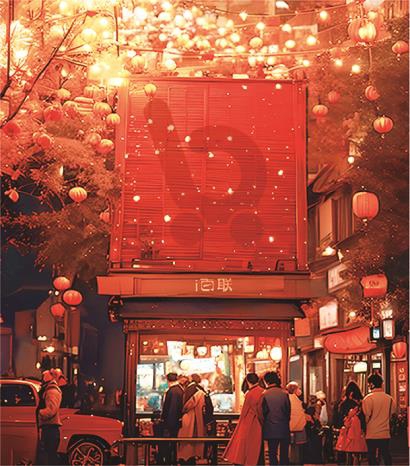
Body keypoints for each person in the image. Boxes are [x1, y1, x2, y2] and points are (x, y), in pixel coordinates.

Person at [224, 373, 265, 466]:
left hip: (249, 421)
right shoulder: (262, 391)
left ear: (248, 381)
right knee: (257, 446)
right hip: (258, 422)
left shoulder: (249, 394)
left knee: (244, 445)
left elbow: (244, 411)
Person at [362, 373, 395, 466]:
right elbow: (392, 413)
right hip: (385, 432)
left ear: (371, 384)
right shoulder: (390, 399)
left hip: (371, 433)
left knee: (371, 456)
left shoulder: (368, 399)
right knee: (386, 455)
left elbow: (366, 416)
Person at [259, 371, 290, 466]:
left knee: (272, 453)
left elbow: (262, 413)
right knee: (284, 454)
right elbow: (288, 411)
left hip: (270, 428)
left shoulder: (264, 394)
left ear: (267, 381)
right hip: (284, 427)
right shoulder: (284, 393)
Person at [335, 382, 366, 465]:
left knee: (348, 450)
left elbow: (339, 419)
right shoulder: (360, 404)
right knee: (357, 451)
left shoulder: (343, 404)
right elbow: (363, 418)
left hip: (347, 431)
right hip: (357, 431)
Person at [178, 376, 207, 464]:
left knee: (187, 441)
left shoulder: (191, 389)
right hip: (198, 418)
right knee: (195, 441)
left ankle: (186, 458)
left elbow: (187, 405)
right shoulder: (199, 389)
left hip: (189, 418)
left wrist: (182, 411)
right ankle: (193, 457)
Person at [36, 369, 62, 465]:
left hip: (50, 429)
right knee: (49, 456)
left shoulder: (52, 391)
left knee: (49, 457)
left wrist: (39, 413)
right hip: (49, 428)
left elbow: (51, 410)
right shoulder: (50, 390)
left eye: (43, 377)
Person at [159, 373, 184, 465]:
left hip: (172, 424)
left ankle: (170, 461)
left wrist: (168, 424)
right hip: (176, 422)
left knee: (170, 444)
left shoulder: (173, 391)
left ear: (168, 380)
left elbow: (172, 410)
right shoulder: (179, 389)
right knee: (174, 444)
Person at [286, 382, 307, 465]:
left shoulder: (289, 398)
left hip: (292, 426)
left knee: (292, 447)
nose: (299, 390)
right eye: (298, 388)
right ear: (294, 390)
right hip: (298, 427)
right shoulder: (293, 399)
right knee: (297, 448)